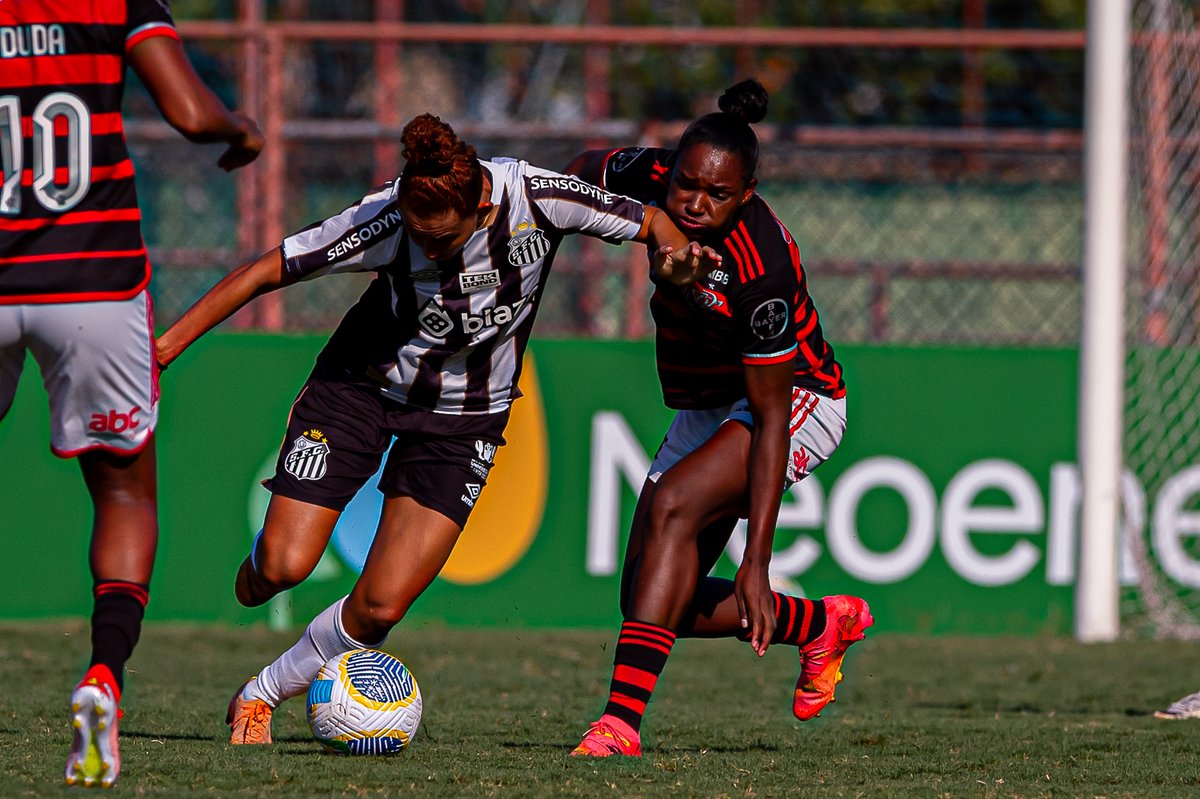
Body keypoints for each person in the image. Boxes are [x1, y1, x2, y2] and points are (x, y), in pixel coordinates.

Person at [154, 112, 719, 746]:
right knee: (283, 569)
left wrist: (677, 260)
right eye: (418, 235)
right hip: (360, 391)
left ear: (482, 208)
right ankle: (267, 557)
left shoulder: (539, 197)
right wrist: (163, 352)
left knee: (381, 606)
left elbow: (652, 221)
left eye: (441, 239)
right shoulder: (386, 219)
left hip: (465, 420)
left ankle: (261, 692)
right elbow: (267, 270)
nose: (426, 249)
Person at [563, 79, 873, 757]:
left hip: (796, 401)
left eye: (718, 194)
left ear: (748, 193)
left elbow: (770, 419)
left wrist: (757, 561)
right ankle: (820, 624)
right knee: (649, 598)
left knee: (675, 503)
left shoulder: (761, 270)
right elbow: (578, 173)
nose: (696, 203)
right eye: (685, 185)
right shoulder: (652, 177)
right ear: (671, 169)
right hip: (712, 402)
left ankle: (619, 726)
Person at [0, 0, 263, 787]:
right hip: (94, 278)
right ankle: (103, 676)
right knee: (123, 495)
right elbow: (190, 112)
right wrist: (240, 129)